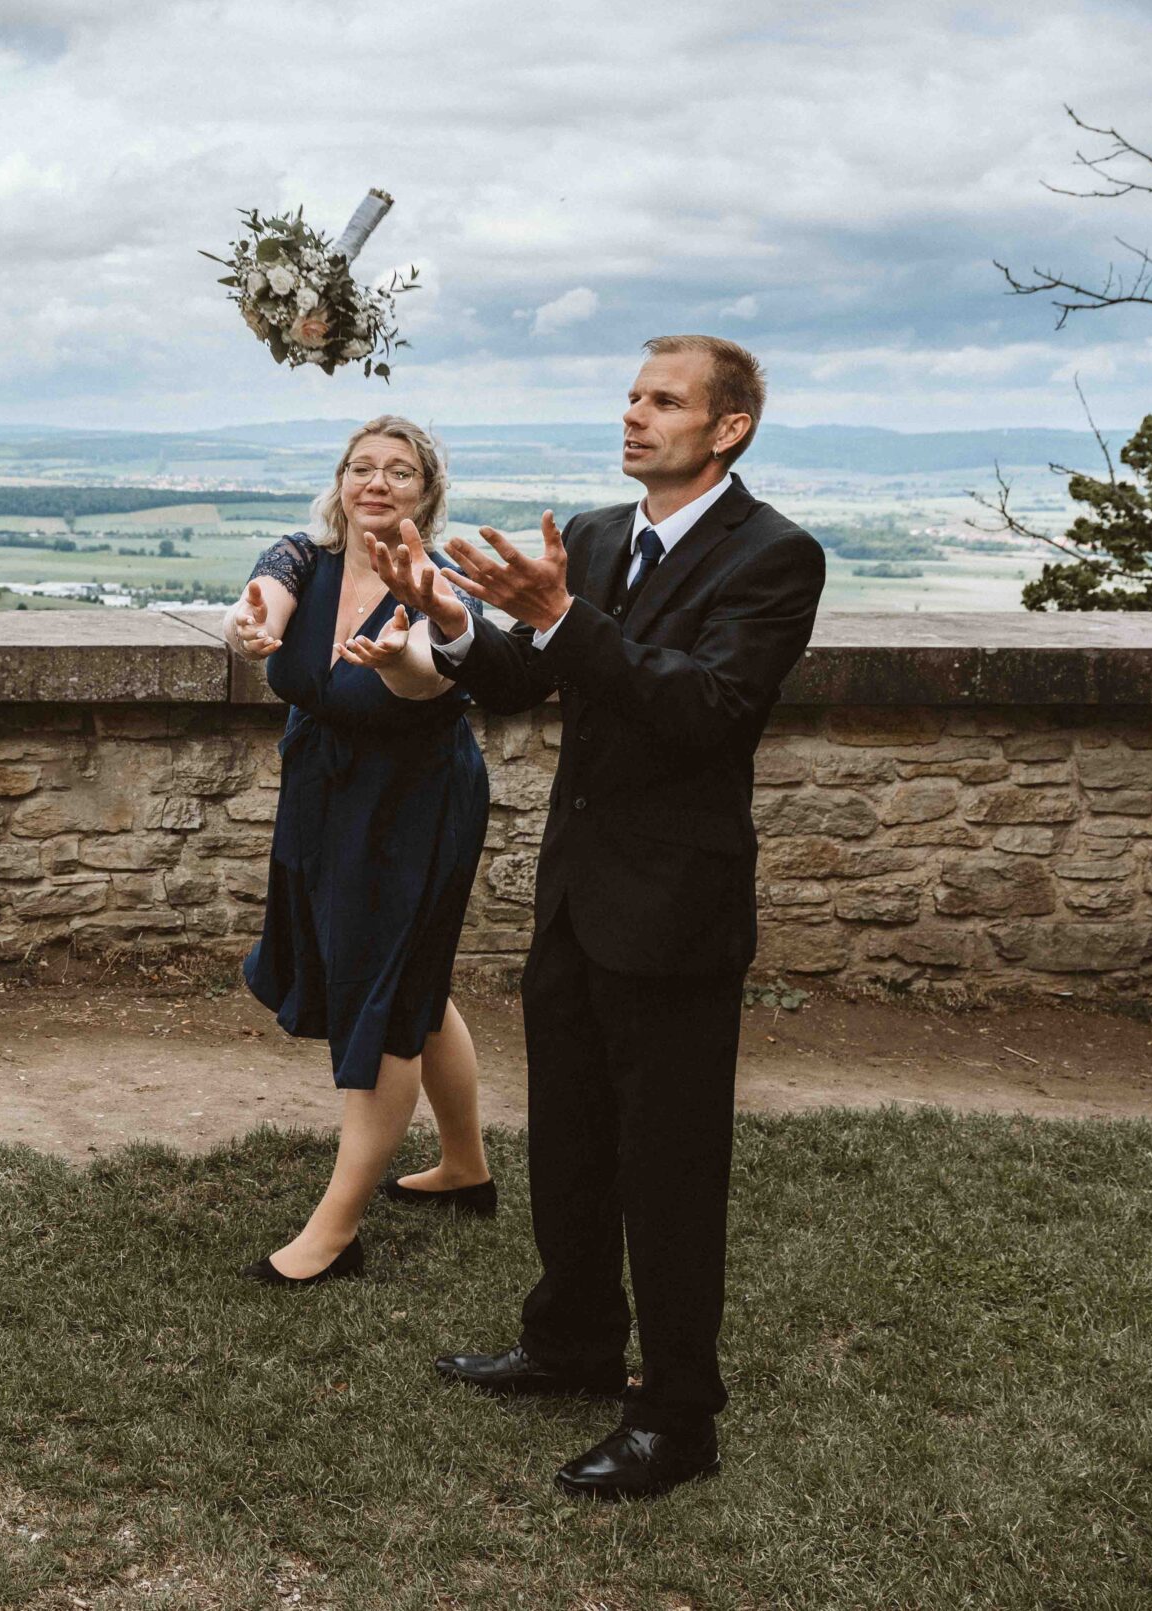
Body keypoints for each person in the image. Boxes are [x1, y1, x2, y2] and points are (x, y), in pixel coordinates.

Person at [374, 334, 825, 1500]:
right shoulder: (593, 535)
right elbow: (528, 683)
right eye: (630, 397)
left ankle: (677, 1417)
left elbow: (708, 711)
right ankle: (571, 1343)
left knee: (667, 1168)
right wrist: (458, 624)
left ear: (726, 428)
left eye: (662, 402)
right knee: (571, 1141)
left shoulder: (773, 557)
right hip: (576, 894)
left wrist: (565, 621)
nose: (633, 417)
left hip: (676, 907)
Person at [222, 416, 494, 1287]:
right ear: (341, 479)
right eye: (362, 466)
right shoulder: (303, 555)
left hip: (415, 806)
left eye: (400, 471)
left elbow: (429, 669)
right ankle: (464, 1168)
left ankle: (335, 1232)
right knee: (414, 982)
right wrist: (247, 625)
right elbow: (263, 604)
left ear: (428, 492)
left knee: (382, 998)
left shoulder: (441, 578)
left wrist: (393, 662)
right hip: (325, 794)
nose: (377, 482)